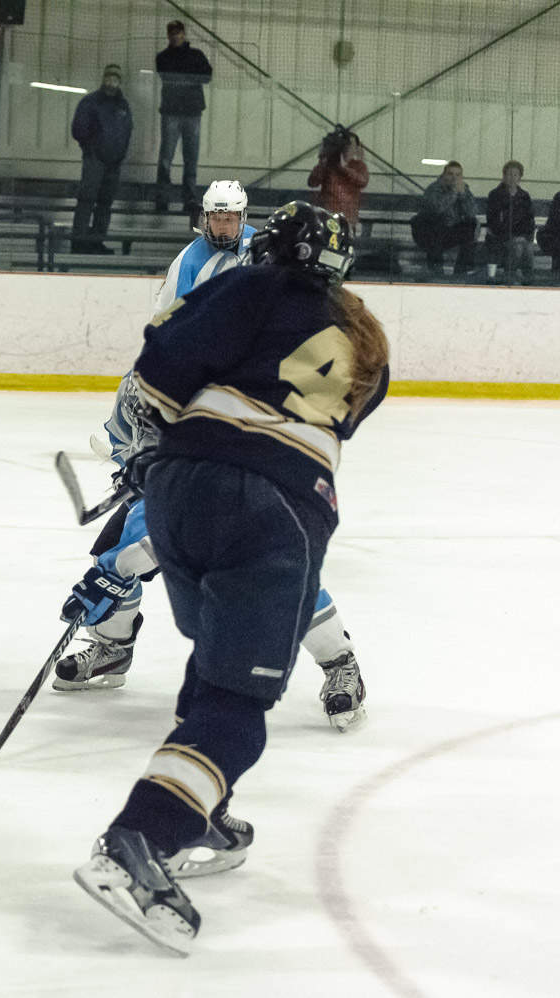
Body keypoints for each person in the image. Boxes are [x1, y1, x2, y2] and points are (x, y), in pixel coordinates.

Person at [71, 202, 389, 954]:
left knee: (216, 662)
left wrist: (148, 452)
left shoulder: (244, 285)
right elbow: (290, 426)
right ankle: (141, 838)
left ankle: (202, 813)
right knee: (238, 705)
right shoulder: (366, 344)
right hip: (279, 510)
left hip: (180, 498)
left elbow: (156, 374)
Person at [59, 183, 371, 733]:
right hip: (202, 462)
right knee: (125, 544)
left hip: (270, 476)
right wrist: (148, 450)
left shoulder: (314, 337)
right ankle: (111, 646)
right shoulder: (213, 293)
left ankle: (339, 661)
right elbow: (162, 367)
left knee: (273, 565)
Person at [152, 179, 255, 314]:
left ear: (241, 218)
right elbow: (172, 321)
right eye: (216, 219)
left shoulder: (258, 242)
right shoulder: (187, 262)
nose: (222, 226)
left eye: (228, 219)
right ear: (207, 218)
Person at [69, 64, 133, 254]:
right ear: (104, 78)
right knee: (88, 200)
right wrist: (91, 149)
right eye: (110, 77)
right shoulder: (91, 102)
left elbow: (127, 131)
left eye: (115, 78)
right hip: (96, 159)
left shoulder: (122, 105)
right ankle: (79, 240)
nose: (112, 81)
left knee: (104, 203)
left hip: (112, 161)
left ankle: (95, 241)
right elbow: (79, 129)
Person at [153, 21, 213, 213]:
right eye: (173, 34)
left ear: (183, 34)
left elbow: (206, 75)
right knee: (169, 158)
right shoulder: (191, 56)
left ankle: (186, 198)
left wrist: (182, 78)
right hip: (181, 112)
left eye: (178, 34)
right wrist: (191, 77)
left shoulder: (166, 57)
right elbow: (203, 75)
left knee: (186, 158)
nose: (176, 37)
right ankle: (174, 198)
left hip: (186, 112)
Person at [410, 161, 478, 277]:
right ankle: (435, 267)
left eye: (458, 175)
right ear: (443, 175)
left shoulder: (464, 191)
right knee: (436, 221)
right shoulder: (433, 189)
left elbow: (472, 213)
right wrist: (453, 194)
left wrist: (463, 196)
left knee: (470, 224)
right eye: (450, 174)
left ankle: (462, 268)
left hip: (450, 231)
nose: (454, 178)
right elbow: (436, 209)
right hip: (430, 233)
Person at [307, 125, 368, 233]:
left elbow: (363, 181)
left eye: (352, 146)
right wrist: (323, 163)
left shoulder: (359, 165)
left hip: (349, 218)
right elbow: (313, 182)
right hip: (328, 217)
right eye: (347, 146)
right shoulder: (328, 165)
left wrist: (345, 169)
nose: (349, 149)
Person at [484, 160, 535, 285]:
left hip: (520, 237)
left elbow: (529, 220)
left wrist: (522, 236)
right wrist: (513, 235)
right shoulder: (495, 195)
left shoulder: (524, 196)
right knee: (518, 246)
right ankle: (510, 276)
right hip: (500, 237)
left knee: (527, 246)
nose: (512, 177)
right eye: (508, 174)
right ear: (503, 176)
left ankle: (527, 279)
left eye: (515, 174)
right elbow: (493, 220)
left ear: (520, 177)